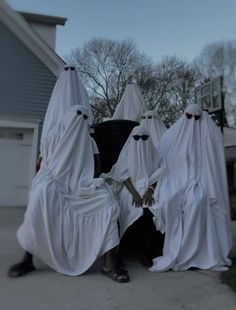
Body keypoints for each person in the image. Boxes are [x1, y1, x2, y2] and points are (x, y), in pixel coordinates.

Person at [8, 66, 129, 283]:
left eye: (84, 117)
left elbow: (96, 168)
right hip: (56, 181)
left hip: (81, 187)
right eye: (76, 116)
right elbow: (45, 164)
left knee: (108, 202)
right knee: (40, 197)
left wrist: (93, 182)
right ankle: (28, 257)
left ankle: (110, 262)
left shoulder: (89, 141)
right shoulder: (53, 139)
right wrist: (49, 181)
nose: (80, 121)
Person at [150, 103, 232, 272]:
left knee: (197, 202)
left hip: (201, 183)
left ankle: (195, 252)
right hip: (175, 182)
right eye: (189, 117)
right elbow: (162, 160)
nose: (193, 121)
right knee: (170, 201)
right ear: (184, 115)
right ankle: (176, 251)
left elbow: (214, 166)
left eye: (197, 117)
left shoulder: (209, 136)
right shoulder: (171, 136)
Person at [102, 125, 165, 268]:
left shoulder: (153, 155)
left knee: (153, 212)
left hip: (149, 190)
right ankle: (121, 252)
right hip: (130, 189)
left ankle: (146, 253)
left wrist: (150, 190)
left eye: (144, 138)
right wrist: (134, 193)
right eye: (136, 138)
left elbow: (158, 175)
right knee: (131, 210)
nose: (140, 141)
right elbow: (123, 175)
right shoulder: (127, 153)